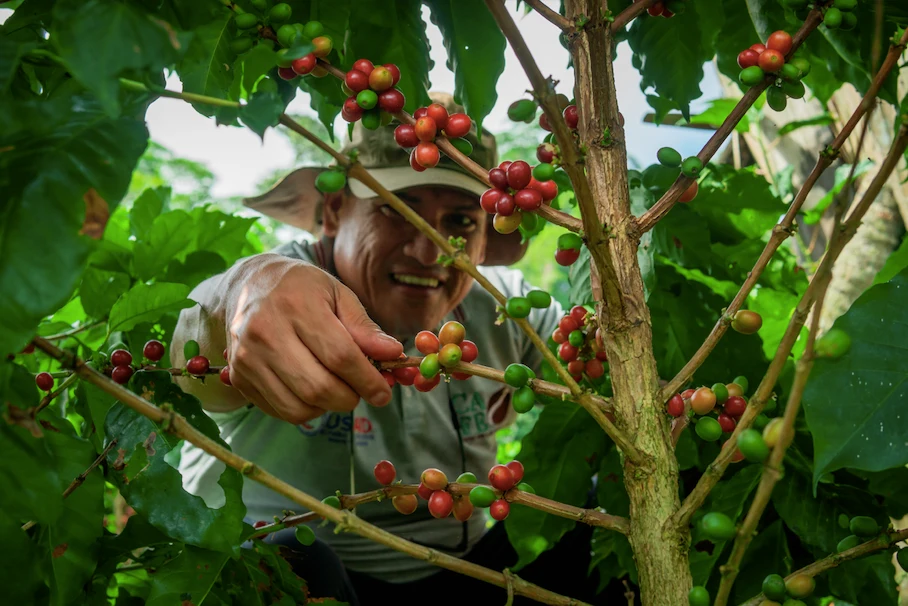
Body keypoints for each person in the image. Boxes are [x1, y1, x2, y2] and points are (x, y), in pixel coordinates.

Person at [173, 93, 604, 604]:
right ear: (334, 210)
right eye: (397, 211)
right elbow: (203, 345)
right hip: (304, 572)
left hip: (468, 576)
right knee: (294, 555)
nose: (429, 251)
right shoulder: (286, 292)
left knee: (601, 514)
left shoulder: (504, 313)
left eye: (462, 224)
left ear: (487, 240)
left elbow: (595, 358)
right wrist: (242, 292)